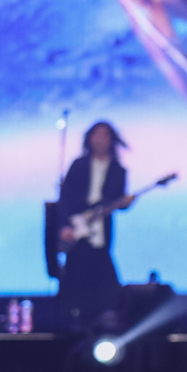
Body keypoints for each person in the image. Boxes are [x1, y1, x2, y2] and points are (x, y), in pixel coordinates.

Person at [52, 122, 128, 332]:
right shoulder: (79, 166)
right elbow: (65, 198)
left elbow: (119, 201)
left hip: (100, 228)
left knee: (102, 267)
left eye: (105, 135)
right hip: (77, 224)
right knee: (75, 269)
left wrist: (124, 203)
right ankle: (73, 318)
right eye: (97, 135)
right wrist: (65, 225)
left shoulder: (118, 170)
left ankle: (105, 315)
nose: (100, 140)